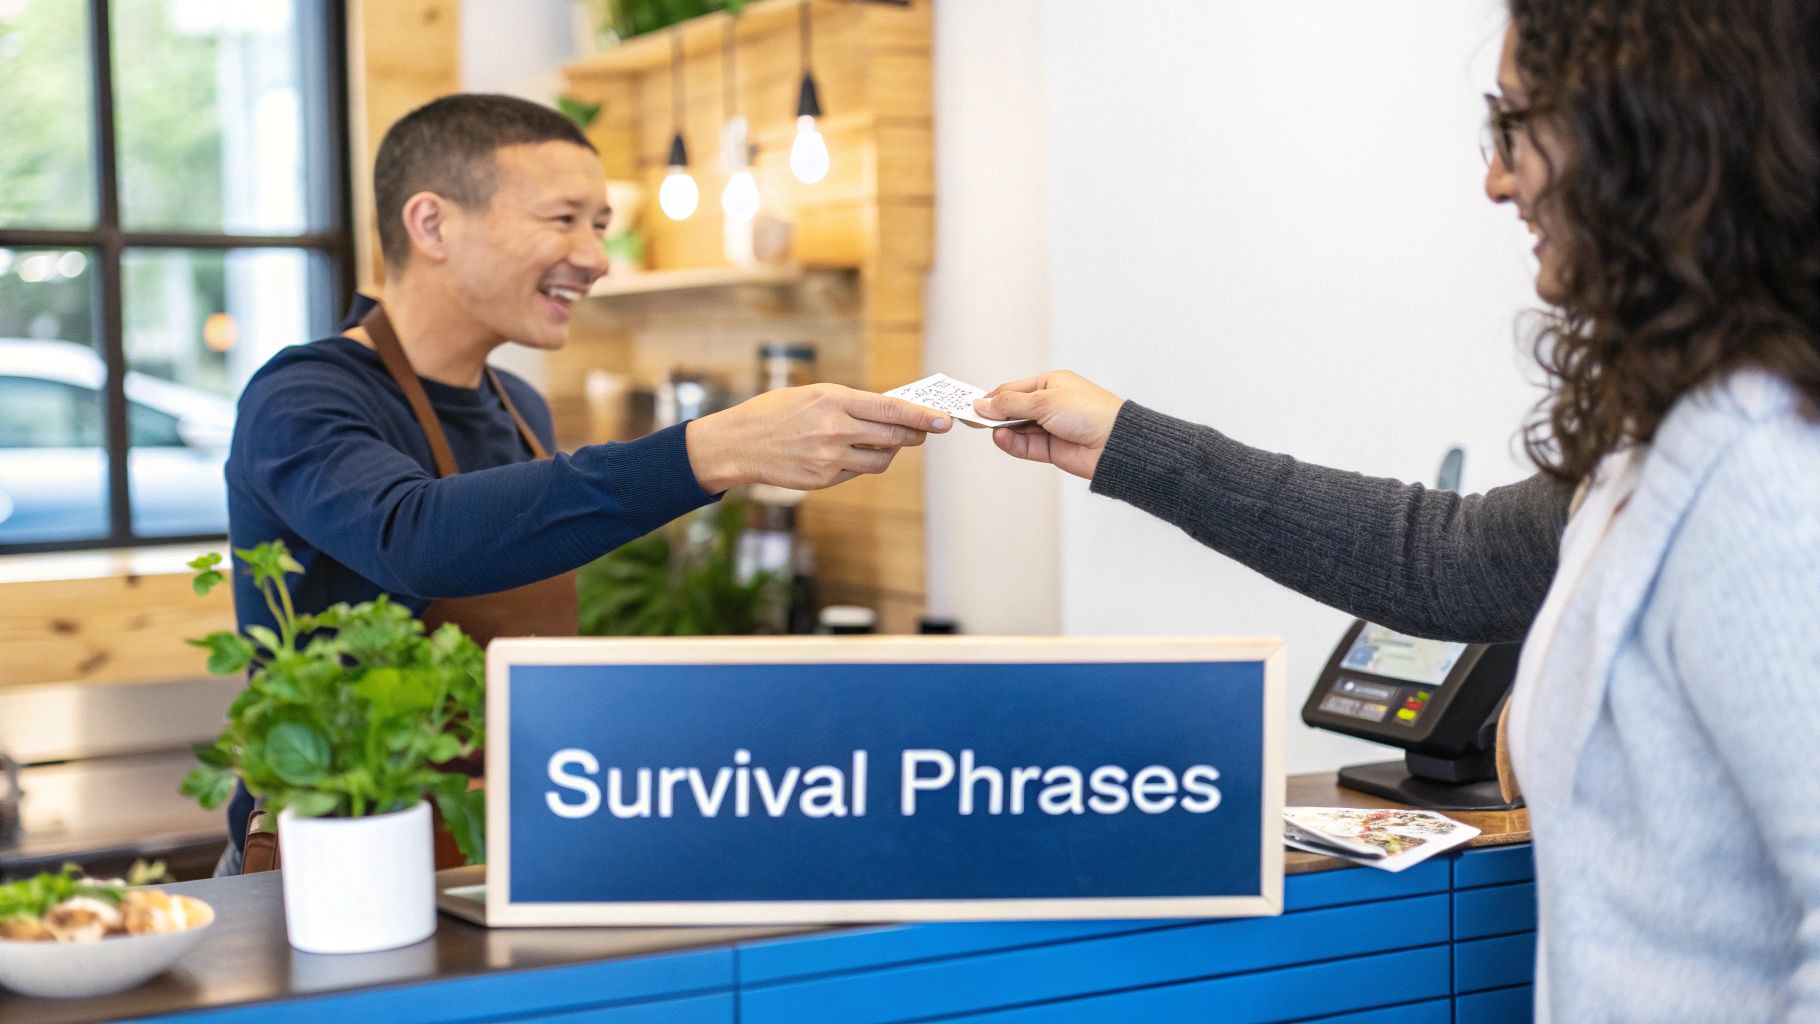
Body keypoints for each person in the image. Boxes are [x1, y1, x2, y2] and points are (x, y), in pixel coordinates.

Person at [978, 4, 1820, 1020]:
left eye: (1515, 126)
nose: (1494, 179)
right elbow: (1437, 559)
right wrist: (1125, 442)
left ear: (1645, 130)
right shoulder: (1659, 441)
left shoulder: (1764, 473)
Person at [216, 94, 949, 871]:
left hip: (503, 841)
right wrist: (711, 451)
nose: (595, 257)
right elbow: (416, 536)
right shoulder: (304, 396)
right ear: (430, 224)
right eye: (562, 219)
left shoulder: (519, 406)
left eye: (599, 225)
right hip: (340, 858)